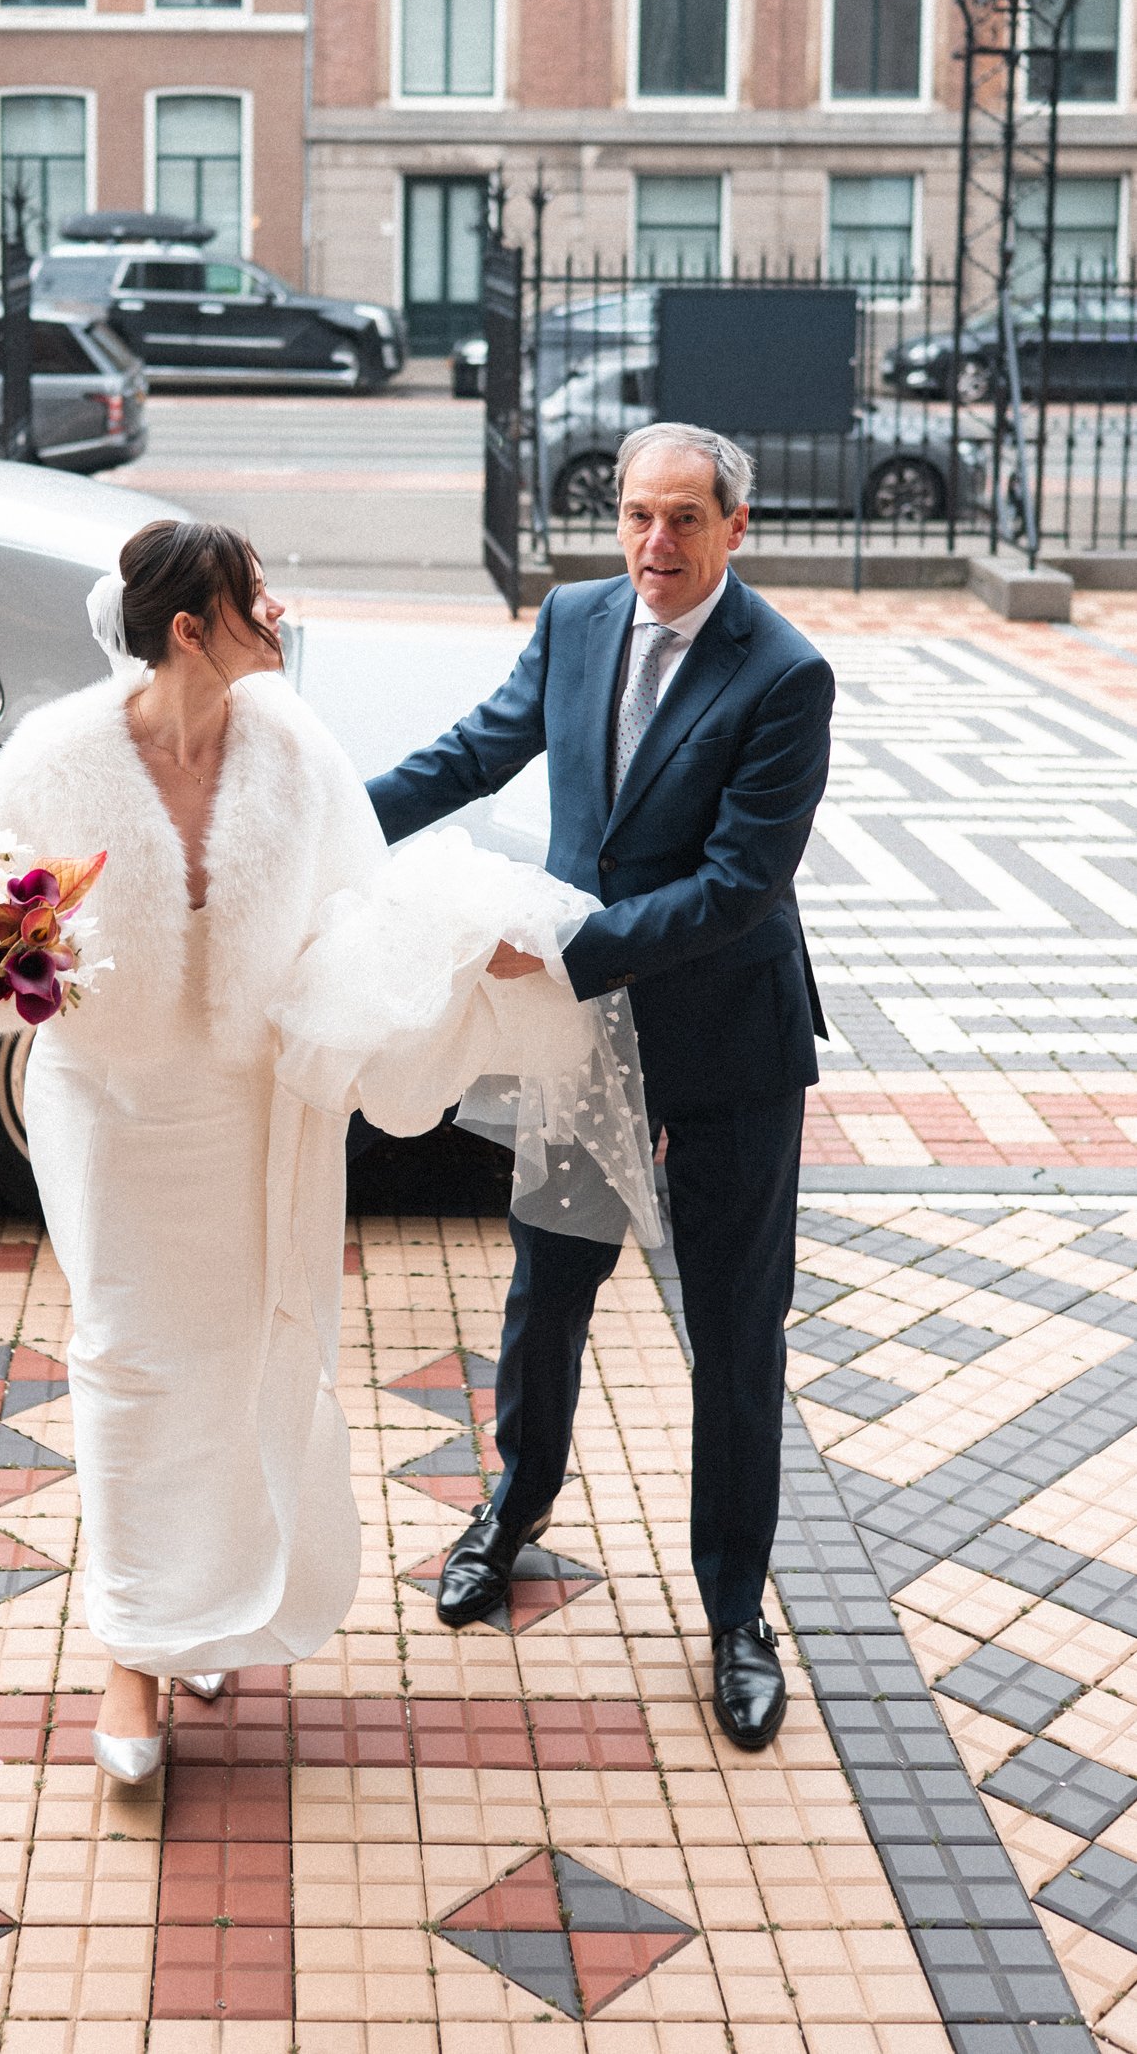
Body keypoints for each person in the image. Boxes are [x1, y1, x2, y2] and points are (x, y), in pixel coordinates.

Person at [0, 519, 658, 1782]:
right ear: (188, 625)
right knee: (127, 1354)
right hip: (112, 1112)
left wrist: (457, 948)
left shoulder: (295, 748)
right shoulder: (56, 756)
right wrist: (5, 960)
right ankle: (130, 1645)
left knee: (237, 1354)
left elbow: (355, 911)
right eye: (253, 593)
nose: (276, 609)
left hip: (252, 1108)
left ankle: (205, 1607)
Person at [368, 422, 835, 1752]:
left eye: (684, 519)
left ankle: (735, 1610)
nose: (653, 545)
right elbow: (469, 755)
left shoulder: (783, 673)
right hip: (591, 1043)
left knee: (736, 1336)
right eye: (635, 515)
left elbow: (739, 887)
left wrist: (565, 947)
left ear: (735, 528)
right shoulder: (576, 619)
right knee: (544, 1291)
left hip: (728, 1049)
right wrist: (327, 828)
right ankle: (509, 1514)